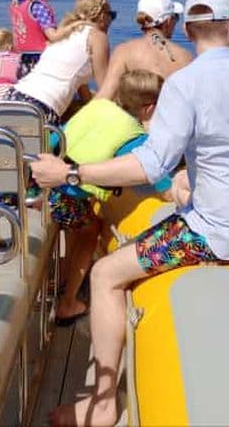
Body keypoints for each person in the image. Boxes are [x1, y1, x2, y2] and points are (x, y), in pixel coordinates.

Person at [31, 0, 229, 426]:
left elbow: (149, 163)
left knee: (105, 275)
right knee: (185, 187)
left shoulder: (185, 84)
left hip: (217, 233)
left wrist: (70, 173)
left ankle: (101, 406)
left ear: (190, 29)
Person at [49, 69, 166, 325]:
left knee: (81, 220)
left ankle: (58, 281)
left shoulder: (98, 107)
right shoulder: (134, 137)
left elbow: (56, 138)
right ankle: (68, 304)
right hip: (64, 194)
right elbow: (159, 183)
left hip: (44, 185)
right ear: (150, 107)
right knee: (91, 230)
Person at [5, 0, 115, 125]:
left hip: (11, 97)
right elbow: (105, 88)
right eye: (112, 16)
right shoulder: (97, 36)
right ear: (103, 16)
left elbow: (78, 79)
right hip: (40, 107)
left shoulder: (64, 33)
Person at [94, 0, 192, 100]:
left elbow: (105, 97)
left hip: (138, 116)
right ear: (168, 21)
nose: (176, 22)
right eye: (176, 17)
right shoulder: (185, 56)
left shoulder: (124, 51)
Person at [9, 0, 60, 78]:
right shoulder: (38, 7)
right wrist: (70, 29)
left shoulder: (18, 5)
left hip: (22, 61)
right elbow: (53, 36)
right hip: (41, 60)